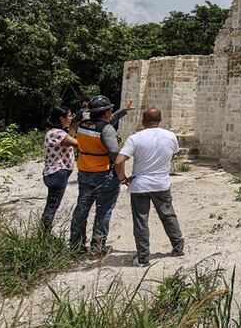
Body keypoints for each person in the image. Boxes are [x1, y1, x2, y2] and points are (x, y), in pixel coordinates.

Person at [113, 107, 185, 267]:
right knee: (168, 215)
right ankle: (178, 247)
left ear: (143, 121)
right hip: (161, 183)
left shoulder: (135, 138)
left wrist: (122, 178)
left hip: (140, 185)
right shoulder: (170, 136)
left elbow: (119, 161)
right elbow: (173, 154)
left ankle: (143, 258)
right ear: (160, 120)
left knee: (141, 220)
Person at [69, 95, 124, 257]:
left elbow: (103, 125)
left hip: (85, 172)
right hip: (104, 174)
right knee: (103, 210)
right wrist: (121, 173)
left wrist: (123, 111)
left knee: (81, 208)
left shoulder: (83, 125)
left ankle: (76, 245)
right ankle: (97, 248)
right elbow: (114, 151)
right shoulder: (106, 129)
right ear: (106, 113)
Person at [41, 106, 79, 230]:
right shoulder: (58, 133)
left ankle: (44, 233)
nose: (71, 118)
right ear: (61, 119)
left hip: (55, 173)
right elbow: (78, 143)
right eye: (69, 116)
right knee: (52, 206)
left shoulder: (53, 132)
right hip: (57, 174)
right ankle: (44, 234)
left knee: (51, 204)